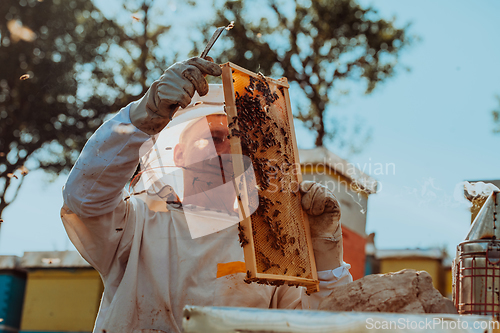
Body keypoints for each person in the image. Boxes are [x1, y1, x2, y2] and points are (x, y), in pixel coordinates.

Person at [61, 57, 352, 333]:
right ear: (178, 153)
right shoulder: (136, 224)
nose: (227, 148)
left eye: (236, 141)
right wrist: (145, 114)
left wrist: (327, 257)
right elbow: (84, 197)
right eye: (213, 138)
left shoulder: (270, 251)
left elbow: (320, 325)